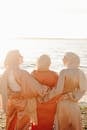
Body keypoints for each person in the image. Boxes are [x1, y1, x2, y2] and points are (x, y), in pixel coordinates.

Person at [0, 50, 48, 130]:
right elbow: (34, 88)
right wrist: (45, 88)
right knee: (22, 125)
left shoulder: (5, 73)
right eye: (20, 56)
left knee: (11, 123)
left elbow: (4, 91)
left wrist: (6, 105)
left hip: (12, 101)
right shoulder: (22, 73)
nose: (21, 57)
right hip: (23, 103)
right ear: (17, 59)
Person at [49, 52, 87, 130]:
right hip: (74, 104)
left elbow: (58, 90)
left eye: (64, 58)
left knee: (62, 126)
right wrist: (74, 97)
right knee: (75, 126)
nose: (62, 59)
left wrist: (48, 95)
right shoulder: (80, 72)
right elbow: (83, 89)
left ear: (68, 60)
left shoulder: (63, 72)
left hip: (62, 103)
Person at [31, 54, 59, 130]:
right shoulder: (54, 75)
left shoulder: (34, 74)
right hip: (50, 103)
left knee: (36, 124)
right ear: (49, 63)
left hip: (37, 103)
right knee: (48, 124)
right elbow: (58, 90)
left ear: (38, 62)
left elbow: (30, 89)